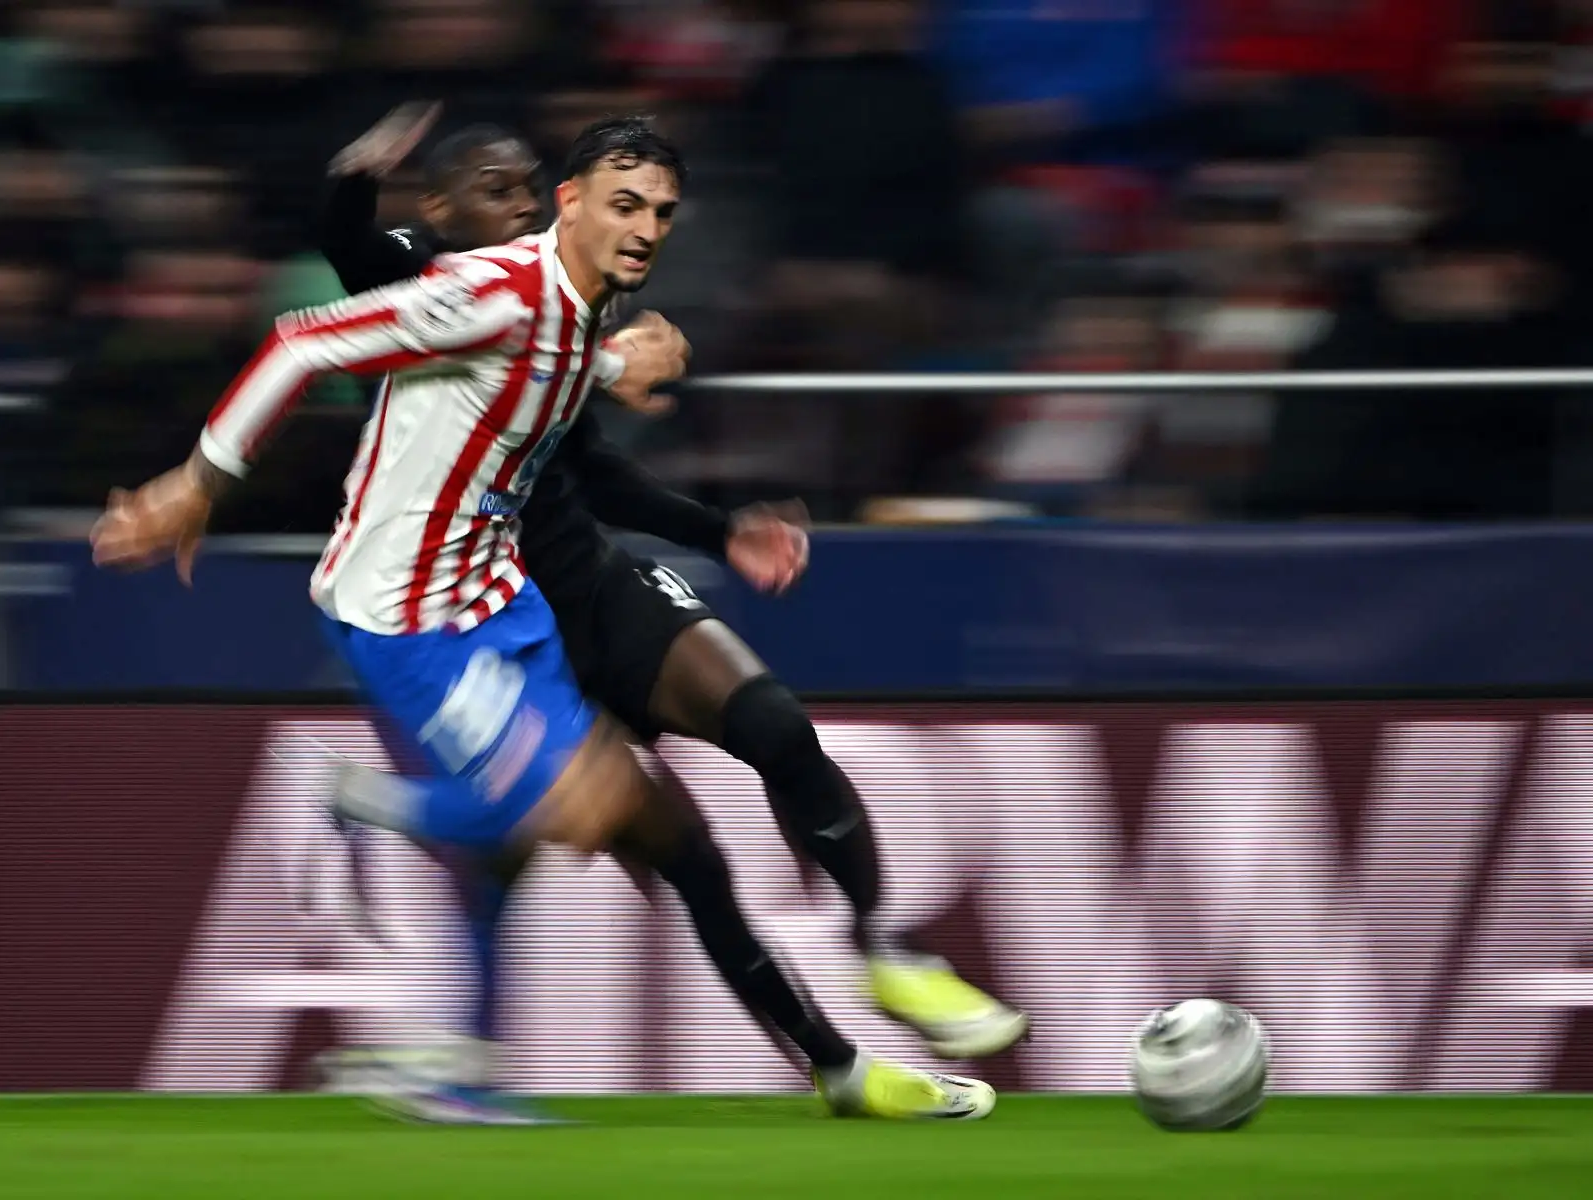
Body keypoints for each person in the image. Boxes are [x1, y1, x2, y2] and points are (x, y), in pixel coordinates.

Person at [90, 117, 996, 1125]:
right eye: (624, 203)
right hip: (406, 618)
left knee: (673, 847)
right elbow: (304, 341)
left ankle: (836, 1071)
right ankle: (353, 802)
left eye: (661, 212)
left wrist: (618, 369)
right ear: (570, 203)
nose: (646, 226)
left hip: (500, 603)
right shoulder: (491, 292)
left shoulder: (570, 309)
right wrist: (197, 485)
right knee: (578, 807)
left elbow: (542, 373)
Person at [321, 108, 1028, 1064]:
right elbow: (352, 253)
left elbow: (595, 471)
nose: (521, 206)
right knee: (668, 865)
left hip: (586, 579)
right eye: (496, 191)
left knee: (775, 723)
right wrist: (352, 179)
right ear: (437, 210)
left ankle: (880, 945)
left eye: (528, 190)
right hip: (484, 624)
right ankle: (835, 1067)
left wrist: (721, 529)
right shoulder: (421, 281)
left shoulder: (571, 289)